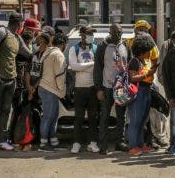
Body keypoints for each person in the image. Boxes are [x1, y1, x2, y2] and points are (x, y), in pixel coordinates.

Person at [0, 12, 32, 151]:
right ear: (18, 23)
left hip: (11, 79)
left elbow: (28, 53)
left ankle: (3, 140)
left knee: (7, 110)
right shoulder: (1, 32)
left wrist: (43, 50)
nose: (22, 26)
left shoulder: (17, 38)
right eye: (22, 23)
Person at [94, 23, 130, 155]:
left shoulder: (125, 45)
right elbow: (97, 68)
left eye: (120, 32)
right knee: (104, 116)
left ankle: (119, 143)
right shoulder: (102, 47)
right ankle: (103, 145)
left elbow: (129, 65)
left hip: (121, 87)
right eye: (115, 32)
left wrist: (128, 83)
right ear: (110, 32)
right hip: (107, 87)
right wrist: (99, 89)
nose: (118, 35)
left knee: (121, 116)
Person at [133, 20, 168, 148]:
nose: (143, 31)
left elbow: (155, 63)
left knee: (153, 113)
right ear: (135, 30)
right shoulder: (129, 43)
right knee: (136, 114)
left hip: (149, 84)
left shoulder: (152, 46)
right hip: (134, 84)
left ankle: (153, 138)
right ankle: (136, 141)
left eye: (145, 29)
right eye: (140, 28)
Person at [69, 25, 99, 154]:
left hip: (93, 88)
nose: (91, 36)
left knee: (93, 117)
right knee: (79, 117)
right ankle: (76, 143)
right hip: (79, 88)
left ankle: (92, 143)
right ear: (82, 35)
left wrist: (82, 66)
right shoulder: (73, 49)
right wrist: (92, 63)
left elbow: (98, 68)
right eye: (89, 34)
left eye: (92, 34)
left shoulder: (96, 48)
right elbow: (74, 66)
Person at [127, 33, 157, 155]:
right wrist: (148, 74)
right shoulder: (134, 61)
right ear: (142, 50)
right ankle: (133, 146)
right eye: (148, 51)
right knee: (135, 120)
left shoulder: (144, 61)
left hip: (146, 90)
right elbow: (132, 78)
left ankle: (140, 144)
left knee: (142, 120)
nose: (150, 53)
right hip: (137, 92)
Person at [38, 33, 67, 151]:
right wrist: (62, 90)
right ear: (64, 45)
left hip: (45, 87)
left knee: (53, 116)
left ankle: (53, 141)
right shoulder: (58, 55)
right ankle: (44, 143)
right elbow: (59, 75)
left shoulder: (47, 53)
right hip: (51, 89)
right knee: (49, 116)